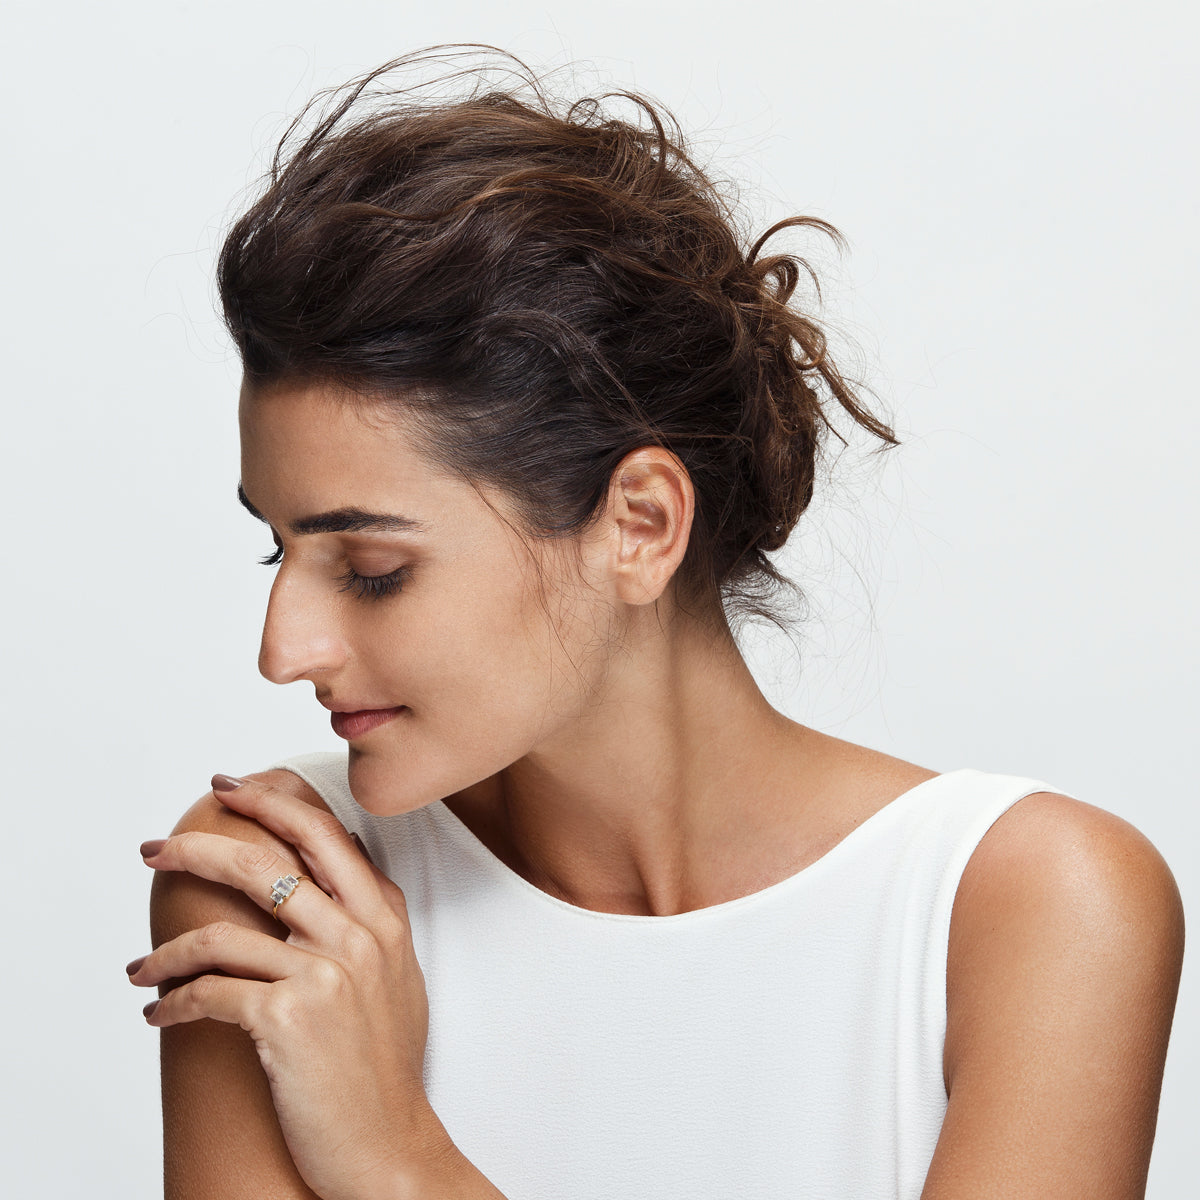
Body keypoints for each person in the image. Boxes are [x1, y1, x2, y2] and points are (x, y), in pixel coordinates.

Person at [127, 49, 1184, 1200]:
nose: (283, 651)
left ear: (638, 522)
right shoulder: (282, 895)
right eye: (279, 547)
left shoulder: (1028, 908)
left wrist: (393, 1154)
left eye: (374, 569)